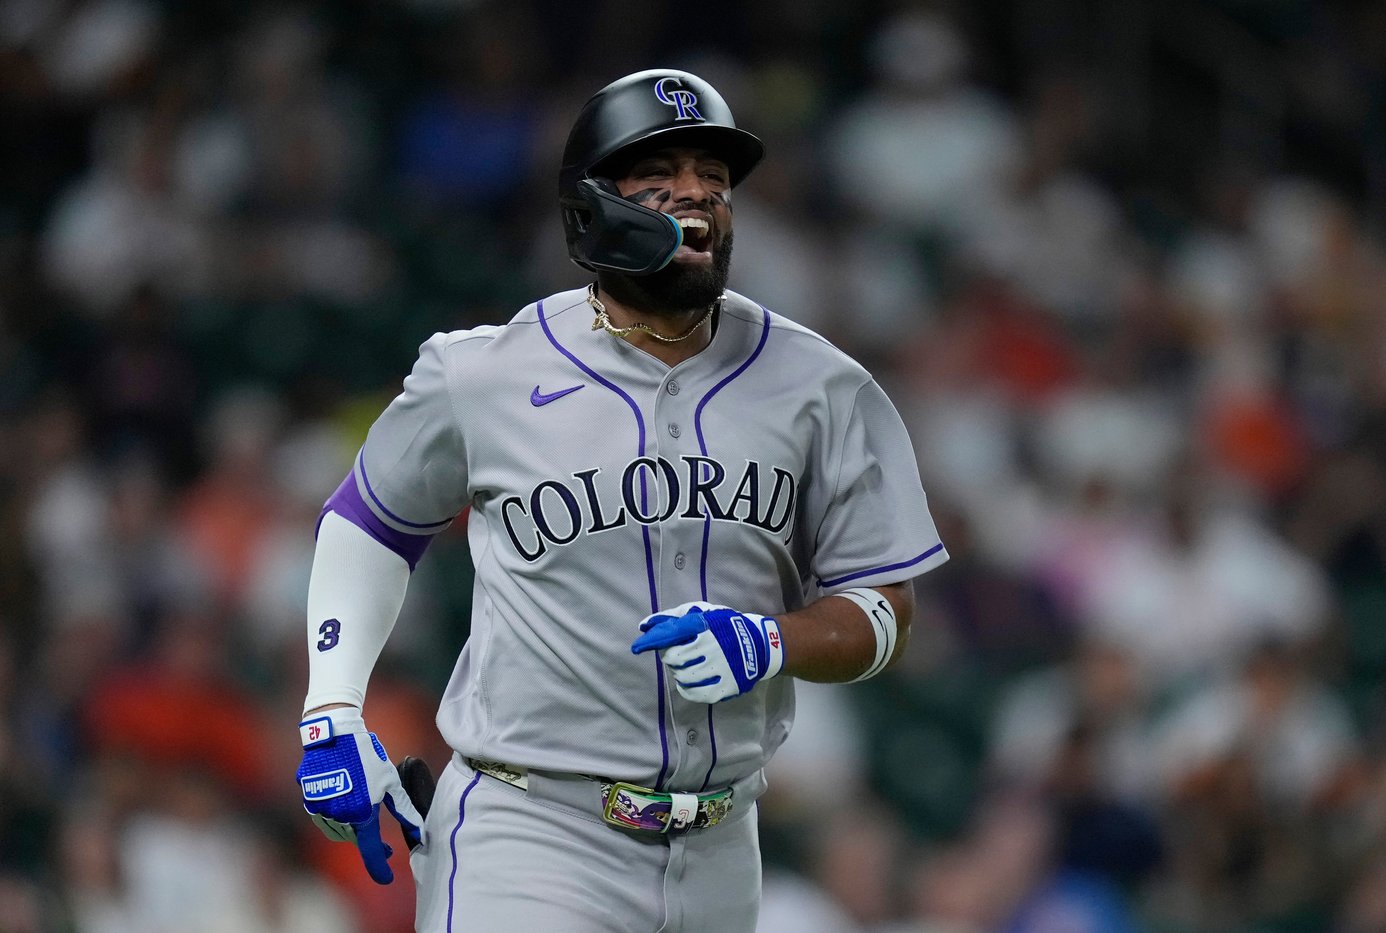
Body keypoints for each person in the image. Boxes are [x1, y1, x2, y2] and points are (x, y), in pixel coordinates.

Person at [294, 68, 948, 933]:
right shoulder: (483, 372)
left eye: (713, 177)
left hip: (722, 846)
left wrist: (770, 640)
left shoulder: (822, 385)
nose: (696, 194)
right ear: (591, 207)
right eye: (659, 176)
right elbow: (371, 522)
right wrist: (332, 705)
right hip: (532, 829)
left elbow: (888, 611)